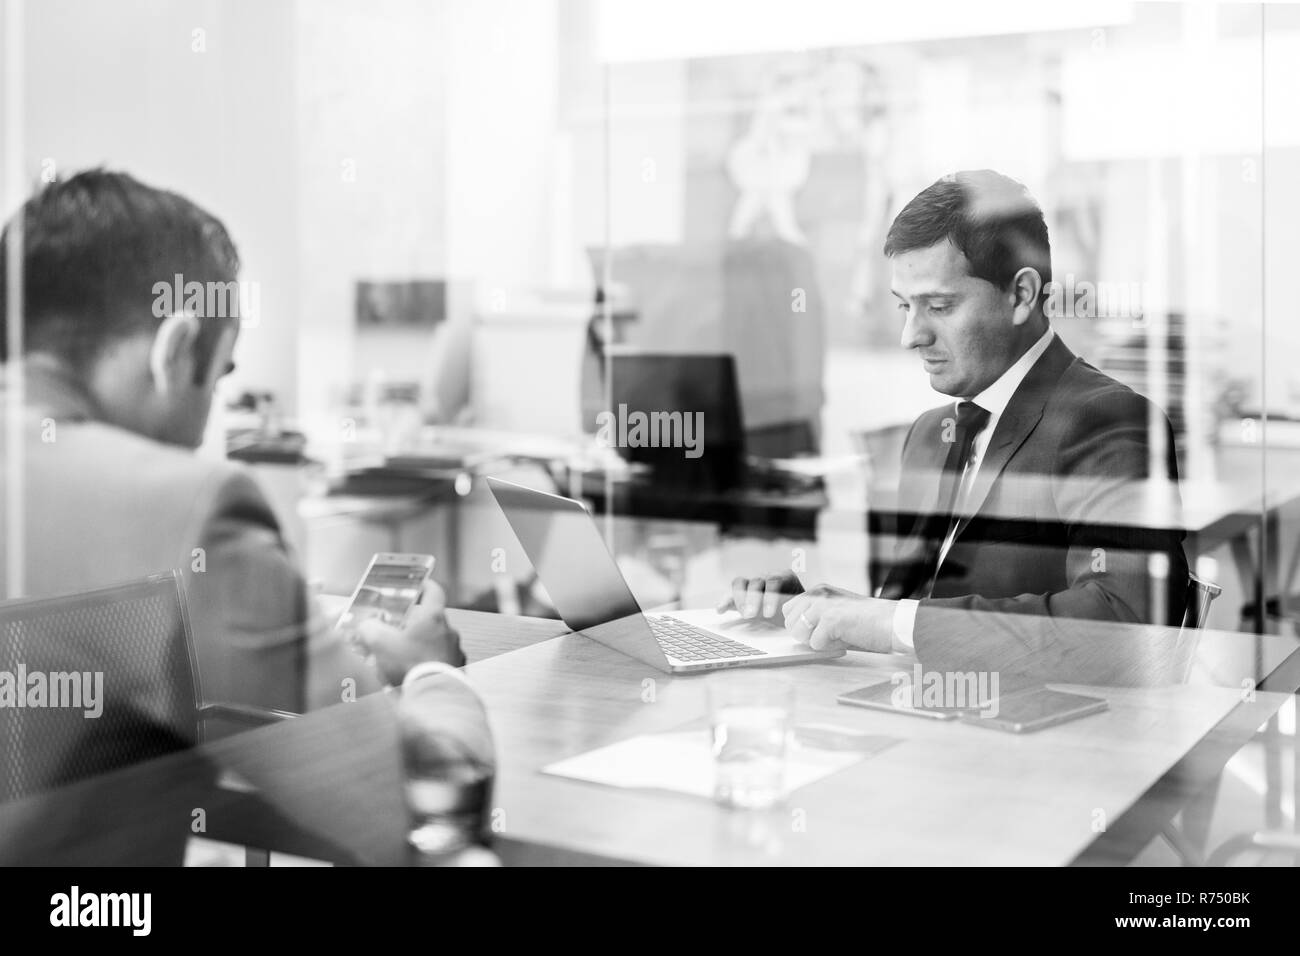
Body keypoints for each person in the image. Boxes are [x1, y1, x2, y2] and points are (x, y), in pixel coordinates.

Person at [0, 169, 462, 714]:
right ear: (173, 351)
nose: (201, 433)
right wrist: (429, 673)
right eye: (219, 377)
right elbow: (403, 789)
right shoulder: (193, 507)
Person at [722, 170, 1189, 682]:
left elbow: (1125, 625)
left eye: (938, 306)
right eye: (904, 306)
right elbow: (908, 615)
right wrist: (812, 614)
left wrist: (885, 622)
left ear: (1022, 296)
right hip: (922, 721)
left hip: (1033, 741)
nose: (911, 335)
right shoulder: (929, 434)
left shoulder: (1107, 421)